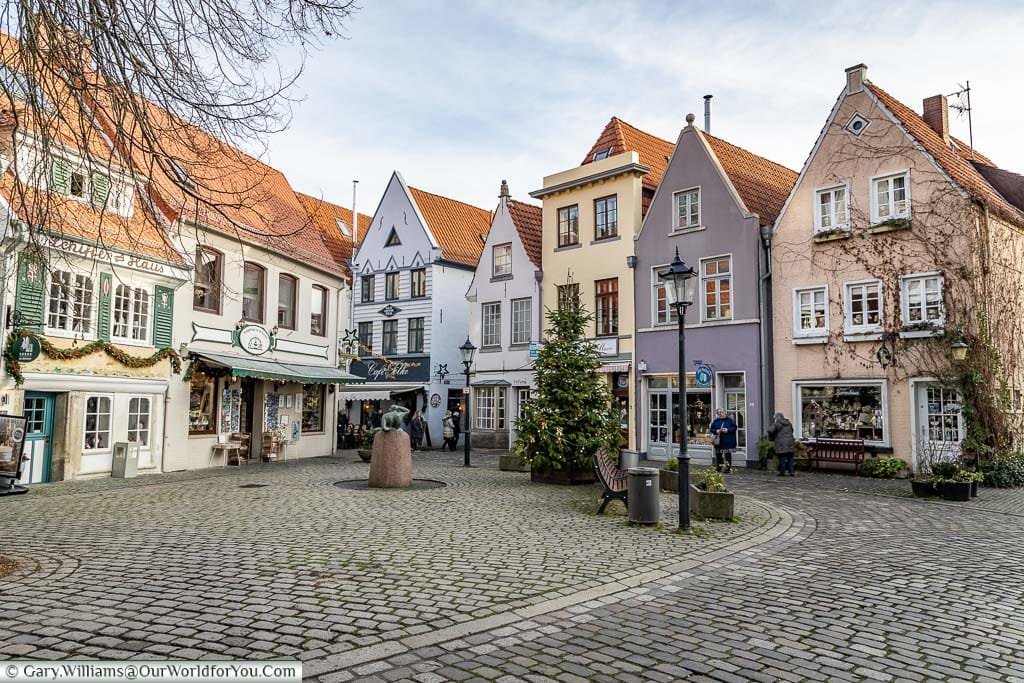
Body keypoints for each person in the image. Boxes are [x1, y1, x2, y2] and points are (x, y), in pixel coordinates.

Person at [709, 409, 738, 473]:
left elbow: (734, 428)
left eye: (721, 412)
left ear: (725, 413)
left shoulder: (730, 420)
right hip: (718, 441)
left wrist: (727, 430)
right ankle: (719, 468)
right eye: (718, 413)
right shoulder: (716, 420)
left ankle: (727, 469)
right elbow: (711, 429)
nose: (720, 413)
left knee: (727, 455)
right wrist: (716, 431)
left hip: (728, 441)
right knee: (718, 455)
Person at [768, 412, 796, 477]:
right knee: (790, 458)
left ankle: (782, 472)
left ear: (778, 417)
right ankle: (791, 472)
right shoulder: (789, 423)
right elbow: (792, 431)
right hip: (790, 442)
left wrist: (771, 438)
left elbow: (770, 430)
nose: (774, 419)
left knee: (782, 457)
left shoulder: (777, 423)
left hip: (781, 444)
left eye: (775, 418)